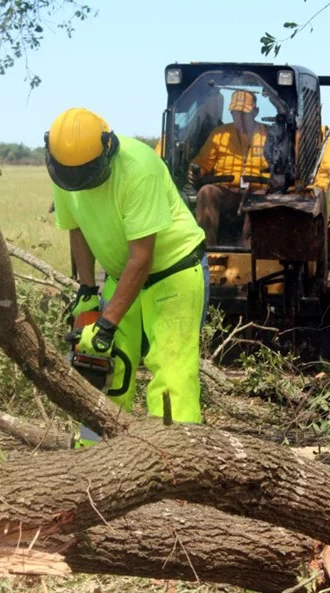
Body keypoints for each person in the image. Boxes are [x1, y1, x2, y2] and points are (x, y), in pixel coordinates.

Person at [46, 107, 208, 424]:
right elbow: (76, 228)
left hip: (173, 272)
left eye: (86, 174)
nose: (80, 182)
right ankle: (95, 455)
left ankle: (176, 461)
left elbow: (142, 257)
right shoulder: (66, 173)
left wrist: (106, 324)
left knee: (172, 372)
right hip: (121, 274)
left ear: (108, 148)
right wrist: (87, 288)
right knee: (103, 364)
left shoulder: (138, 168)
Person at [190, 89, 269, 246]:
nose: (239, 117)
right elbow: (203, 162)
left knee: (260, 201)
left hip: (256, 191)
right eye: (235, 112)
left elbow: (278, 167)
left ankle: (249, 252)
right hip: (225, 190)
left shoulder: (269, 135)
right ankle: (207, 249)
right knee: (207, 192)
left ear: (255, 112)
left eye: (244, 113)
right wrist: (196, 170)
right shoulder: (219, 134)